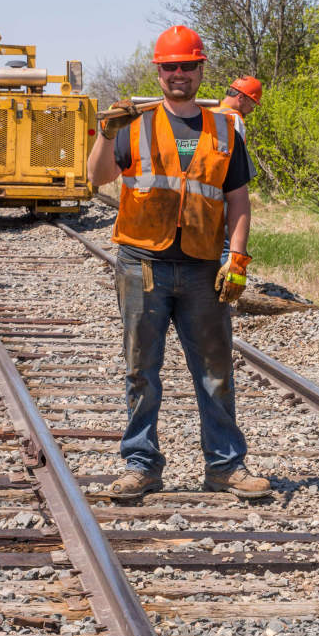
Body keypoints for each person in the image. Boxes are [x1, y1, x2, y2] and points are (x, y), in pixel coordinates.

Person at [87, 26, 271, 501]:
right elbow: (98, 177)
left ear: (200, 69)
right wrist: (106, 133)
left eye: (187, 66)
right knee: (141, 369)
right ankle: (141, 465)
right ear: (160, 71)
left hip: (202, 268)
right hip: (141, 263)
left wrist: (238, 258)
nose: (178, 74)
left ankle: (226, 467)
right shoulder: (134, 124)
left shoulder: (225, 129)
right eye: (170, 67)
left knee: (214, 370)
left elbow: (239, 202)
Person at [211, 76, 262, 262]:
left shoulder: (210, 111)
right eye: (253, 103)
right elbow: (234, 160)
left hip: (207, 186)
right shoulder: (234, 119)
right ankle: (227, 282)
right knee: (227, 243)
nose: (252, 109)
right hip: (226, 189)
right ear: (241, 98)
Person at [211, 76, 262, 141]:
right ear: (240, 97)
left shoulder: (211, 112)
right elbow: (238, 151)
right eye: (252, 104)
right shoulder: (234, 119)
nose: (252, 110)